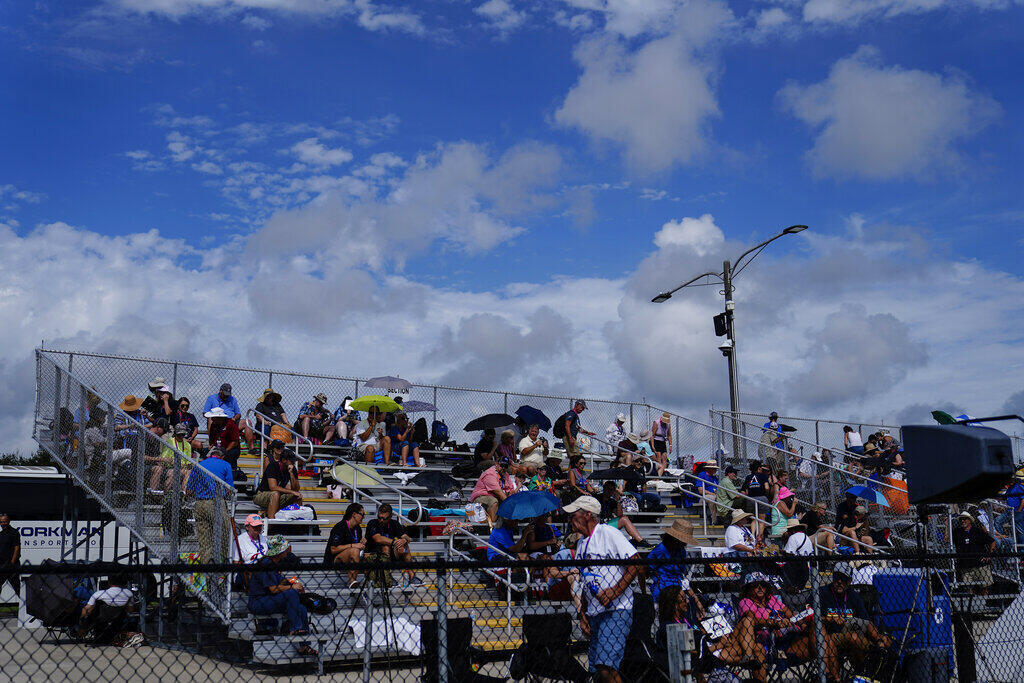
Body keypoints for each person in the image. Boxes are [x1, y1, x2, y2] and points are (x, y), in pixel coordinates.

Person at [564, 495, 639, 683]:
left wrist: (615, 590)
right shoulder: (581, 544)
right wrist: (583, 614)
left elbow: (636, 563)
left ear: (588, 515)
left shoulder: (608, 533)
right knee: (597, 669)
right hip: (595, 612)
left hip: (616, 609)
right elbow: (585, 582)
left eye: (573, 515)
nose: (570, 520)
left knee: (606, 667)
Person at [657, 584, 768, 683]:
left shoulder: (685, 618)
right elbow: (692, 656)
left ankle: (747, 656)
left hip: (715, 646)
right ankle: (748, 657)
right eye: (683, 599)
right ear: (674, 604)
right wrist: (719, 645)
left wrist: (704, 631)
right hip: (709, 656)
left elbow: (695, 635)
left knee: (748, 622)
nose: (687, 601)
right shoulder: (670, 627)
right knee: (758, 649)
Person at [739, 572, 839, 680]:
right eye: (755, 585)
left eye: (762, 585)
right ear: (748, 588)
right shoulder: (746, 602)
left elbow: (790, 614)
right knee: (823, 640)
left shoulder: (772, 599)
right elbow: (752, 619)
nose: (759, 588)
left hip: (791, 639)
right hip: (770, 644)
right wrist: (775, 623)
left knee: (821, 633)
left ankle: (832, 677)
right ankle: (826, 675)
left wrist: (802, 624)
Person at [248, 536, 316, 657]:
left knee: (302, 608)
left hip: (269, 600)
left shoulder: (274, 563)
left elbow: (279, 583)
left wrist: (289, 581)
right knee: (291, 593)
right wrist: (292, 588)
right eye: (284, 549)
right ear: (278, 552)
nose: (287, 551)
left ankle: (304, 645)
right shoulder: (267, 564)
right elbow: (273, 589)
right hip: (258, 602)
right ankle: (295, 628)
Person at [819, 562, 892, 669]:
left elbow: (865, 621)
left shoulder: (853, 596)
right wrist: (830, 619)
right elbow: (809, 617)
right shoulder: (822, 592)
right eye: (837, 577)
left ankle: (880, 642)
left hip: (851, 629)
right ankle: (862, 670)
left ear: (849, 581)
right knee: (854, 638)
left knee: (884, 640)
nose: (839, 581)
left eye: (843, 579)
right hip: (830, 634)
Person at [185, 447, 234, 563]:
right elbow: (229, 490)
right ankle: (220, 566)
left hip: (200, 503)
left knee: (204, 540)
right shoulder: (225, 464)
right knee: (224, 534)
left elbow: (189, 491)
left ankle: (207, 569)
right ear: (222, 456)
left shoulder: (199, 464)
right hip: (216, 503)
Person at [365, 503, 420, 587]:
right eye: (379, 518)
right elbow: (378, 539)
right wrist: (395, 542)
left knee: (404, 545)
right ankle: (388, 577)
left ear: (390, 517)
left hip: (390, 555)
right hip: (373, 554)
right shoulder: (373, 523)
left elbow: (406, 537)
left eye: (384, 518)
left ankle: (412, 576)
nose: (381, 520)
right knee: (385, 547)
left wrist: (404, 540)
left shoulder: (394, 524)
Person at [648, 519, 698, 601]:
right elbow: (646, 567)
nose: (685, 543)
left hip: (678, 587)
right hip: (662, 588)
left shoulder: (681, 551)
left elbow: (680, 575)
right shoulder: (661, 549)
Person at [953, 511, 996, 595]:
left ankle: (984, 604)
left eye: (965, 519)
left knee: (984, 587)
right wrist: (947, 525)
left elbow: (992, 542)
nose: (963, 521)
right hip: (965, 565)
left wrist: (989, 554)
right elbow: (946, 540)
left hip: (980, 564)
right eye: (961, 519)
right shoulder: (957, 532)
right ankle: (971, 605)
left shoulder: (977, 531)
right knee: (968, 588)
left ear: (969, 520)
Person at [325, 503, 365, 589]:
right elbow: (333, 549)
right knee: (354, 550)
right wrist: (353, 545)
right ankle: (352, 581)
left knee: (371, 556)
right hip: (334, 559)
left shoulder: (358, 529)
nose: (363, 517)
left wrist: (362, 544)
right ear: (354, 514)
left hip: (351, 558)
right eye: (362, 514)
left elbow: (357, 546)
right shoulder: (340, 527)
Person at [254, 449, 303, 520]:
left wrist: (291, 474)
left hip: (278, 496)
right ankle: (271, 523)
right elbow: (273, 487)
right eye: (291, 461)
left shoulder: (292, 468)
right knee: (275, 494)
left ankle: (297, 523)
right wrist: (291, 491)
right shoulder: (273, 466)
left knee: (298, 496)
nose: (293, 463)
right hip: (261, 494)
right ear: (283, 460)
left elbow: (296, 489)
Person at [599, 481, 650, 547]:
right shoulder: (597, 498)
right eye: (608, 489)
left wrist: (618, 501)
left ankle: (640, 541)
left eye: (612, 490)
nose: (609, 492)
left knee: (624, 519)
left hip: (608, 524)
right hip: (598, 524)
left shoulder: (612, 501)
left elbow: (619, 515)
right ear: (604, 488)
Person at [470, 456, 517, 523]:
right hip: (481, 496)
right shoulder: (490, 473)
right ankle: (492, 526)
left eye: (506, 466)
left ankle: (507, 526)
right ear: (497, 464)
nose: (503, 468)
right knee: (493, 501)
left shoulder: (505, 474)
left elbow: (510, 489)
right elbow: (498, 492)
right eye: (502, 465)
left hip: (496, 495)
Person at [0, 514, 21, 596]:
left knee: (18, 588)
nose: (3, 524)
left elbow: (17, 549)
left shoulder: (14, 532)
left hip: (11, 565)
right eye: (1, 522)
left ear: (9, 521)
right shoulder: (1, 534)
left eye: (4, 522)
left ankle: (28, 607)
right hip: (1, 565)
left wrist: (12, 564)